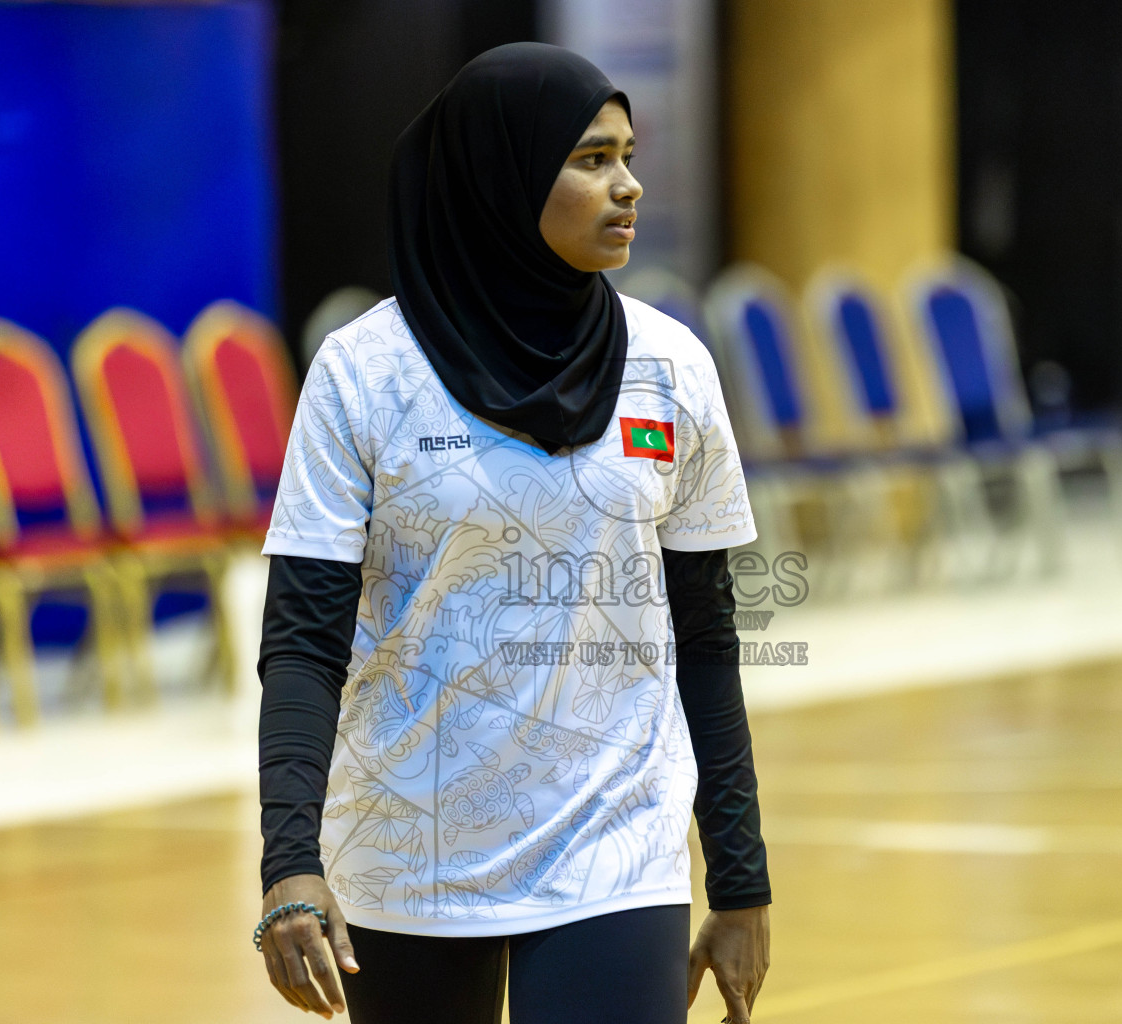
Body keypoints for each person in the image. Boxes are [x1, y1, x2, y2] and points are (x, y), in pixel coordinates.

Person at [254, 42, 770, 1024]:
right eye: (591, 159)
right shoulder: (364, 373)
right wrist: (288, 862)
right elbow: (303, 643)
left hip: (616, 846)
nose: (628, 185)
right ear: (500, 176)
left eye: (627, 156)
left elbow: (706, 636)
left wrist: (740, 880)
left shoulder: (674, 366)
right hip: (406, 851)